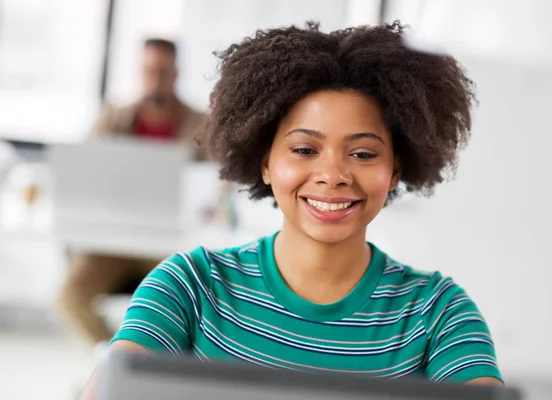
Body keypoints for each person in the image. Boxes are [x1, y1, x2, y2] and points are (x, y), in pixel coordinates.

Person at [81, 21, 502, 398]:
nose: (333, 174)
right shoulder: (190, 287)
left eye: (362, 153)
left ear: (395, 171)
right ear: (265, 162)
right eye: (304, 149)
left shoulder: (439, 313)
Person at [59, 38, 210, 346]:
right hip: (112, 241)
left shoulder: (200, 125)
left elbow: (219, 181)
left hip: (169, 243)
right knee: (70, 298)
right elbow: (85, 170)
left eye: (162, 72)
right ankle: (119, 360)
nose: (154, 80)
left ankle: (151, 363)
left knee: (189, 304)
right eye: (148, 71)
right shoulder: (114, 118)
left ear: (175, 74)